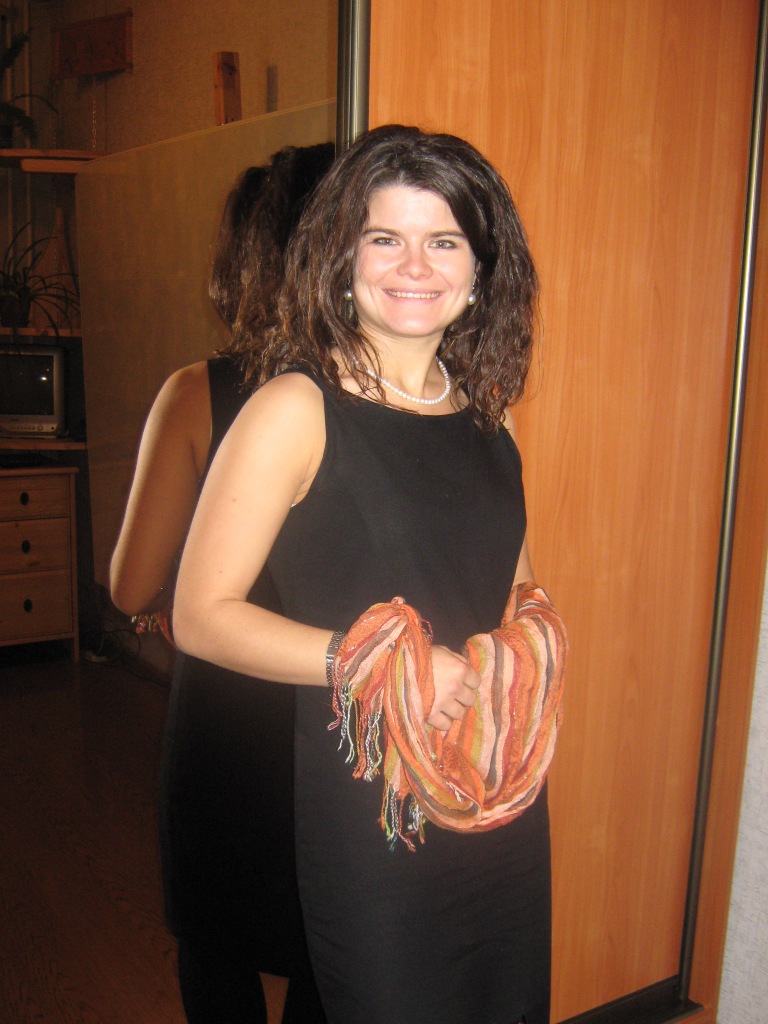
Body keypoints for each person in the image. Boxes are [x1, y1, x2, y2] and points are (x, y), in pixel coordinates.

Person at [173, 124, 564, 1024]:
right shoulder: (294, 407)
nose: (414, 265)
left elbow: (509, 589)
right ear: (341, 258)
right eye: (385, 237)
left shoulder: (488, 422)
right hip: (374, 809)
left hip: (494, 788)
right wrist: (384, 663)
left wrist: (525, 654)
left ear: (480, 271)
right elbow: (201, 614)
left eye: (444, 242)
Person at [109, 142, 335, 1024]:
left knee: (216, 947)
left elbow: (130, 585)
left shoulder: (200, 394)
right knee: (333, 951)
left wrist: (163, 613)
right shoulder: (390, 399)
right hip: (342, 715)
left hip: (226, 727)